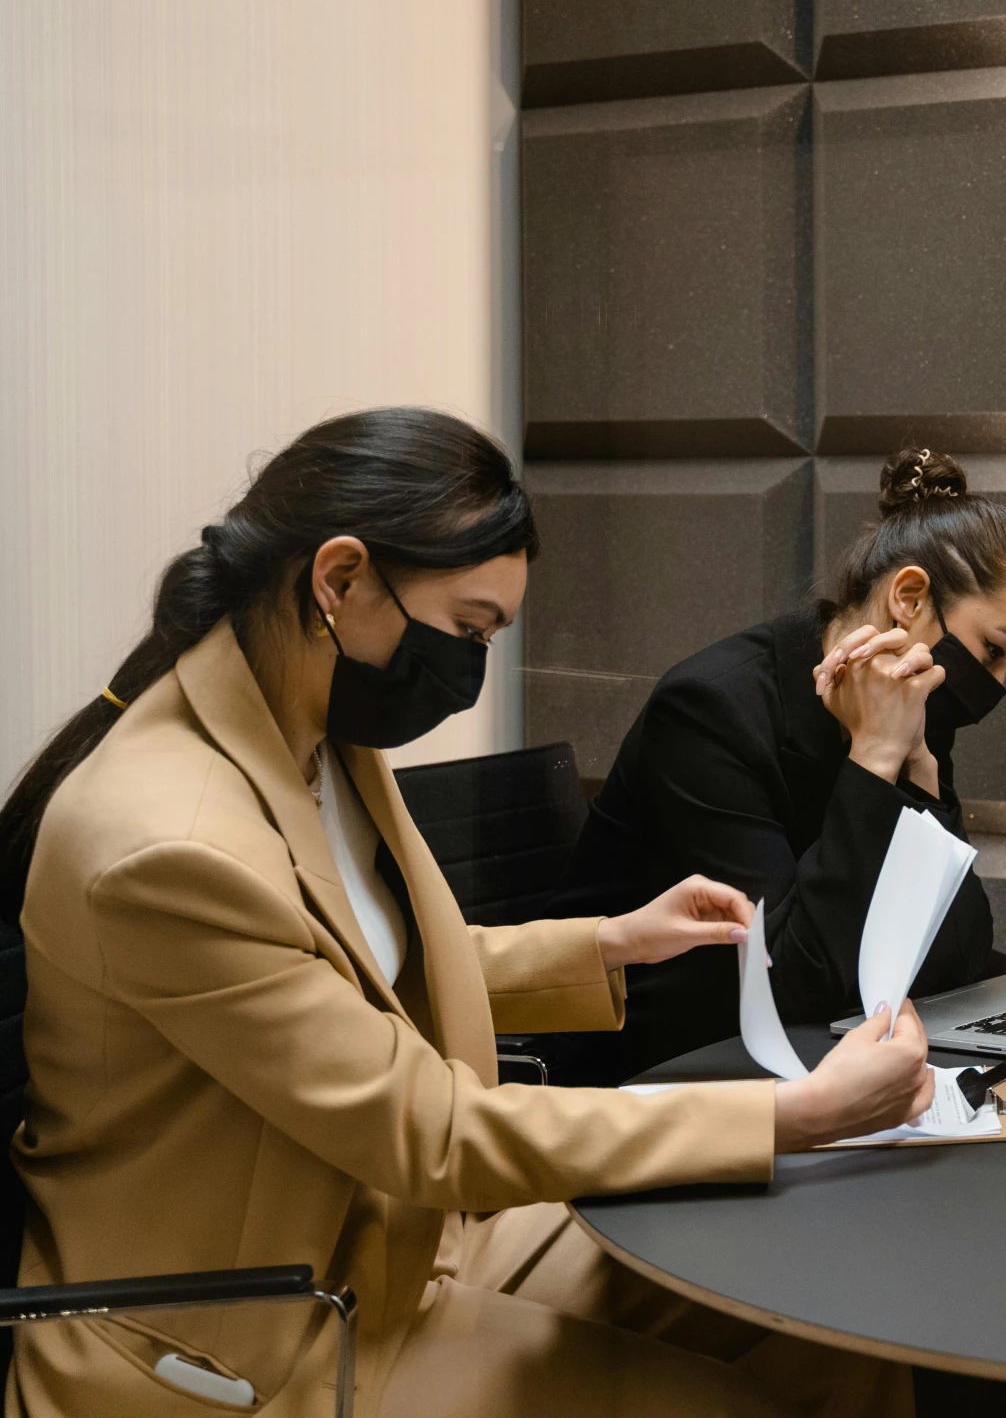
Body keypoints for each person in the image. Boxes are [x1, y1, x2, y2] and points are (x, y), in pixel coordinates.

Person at [0, 408, 936, 1418]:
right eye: (467, 629)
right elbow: (431, 1130)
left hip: (394, 1241)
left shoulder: (312, 727)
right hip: (249, 1332)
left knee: (833, 1323)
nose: (472, 669)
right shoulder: (169, 843)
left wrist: (609, 940)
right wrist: (795, 1115)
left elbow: (337, 971)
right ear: (340, 579)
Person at [557, 447, 1006, 1076]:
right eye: (992, 652)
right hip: (672, 1063)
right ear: (910, 596)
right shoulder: (710, 709)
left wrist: (923, 779)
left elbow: (958, 952)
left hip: (819, 1047)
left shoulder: (911, 703)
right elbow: (789, 981)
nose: (997, 687)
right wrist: (873, 759)